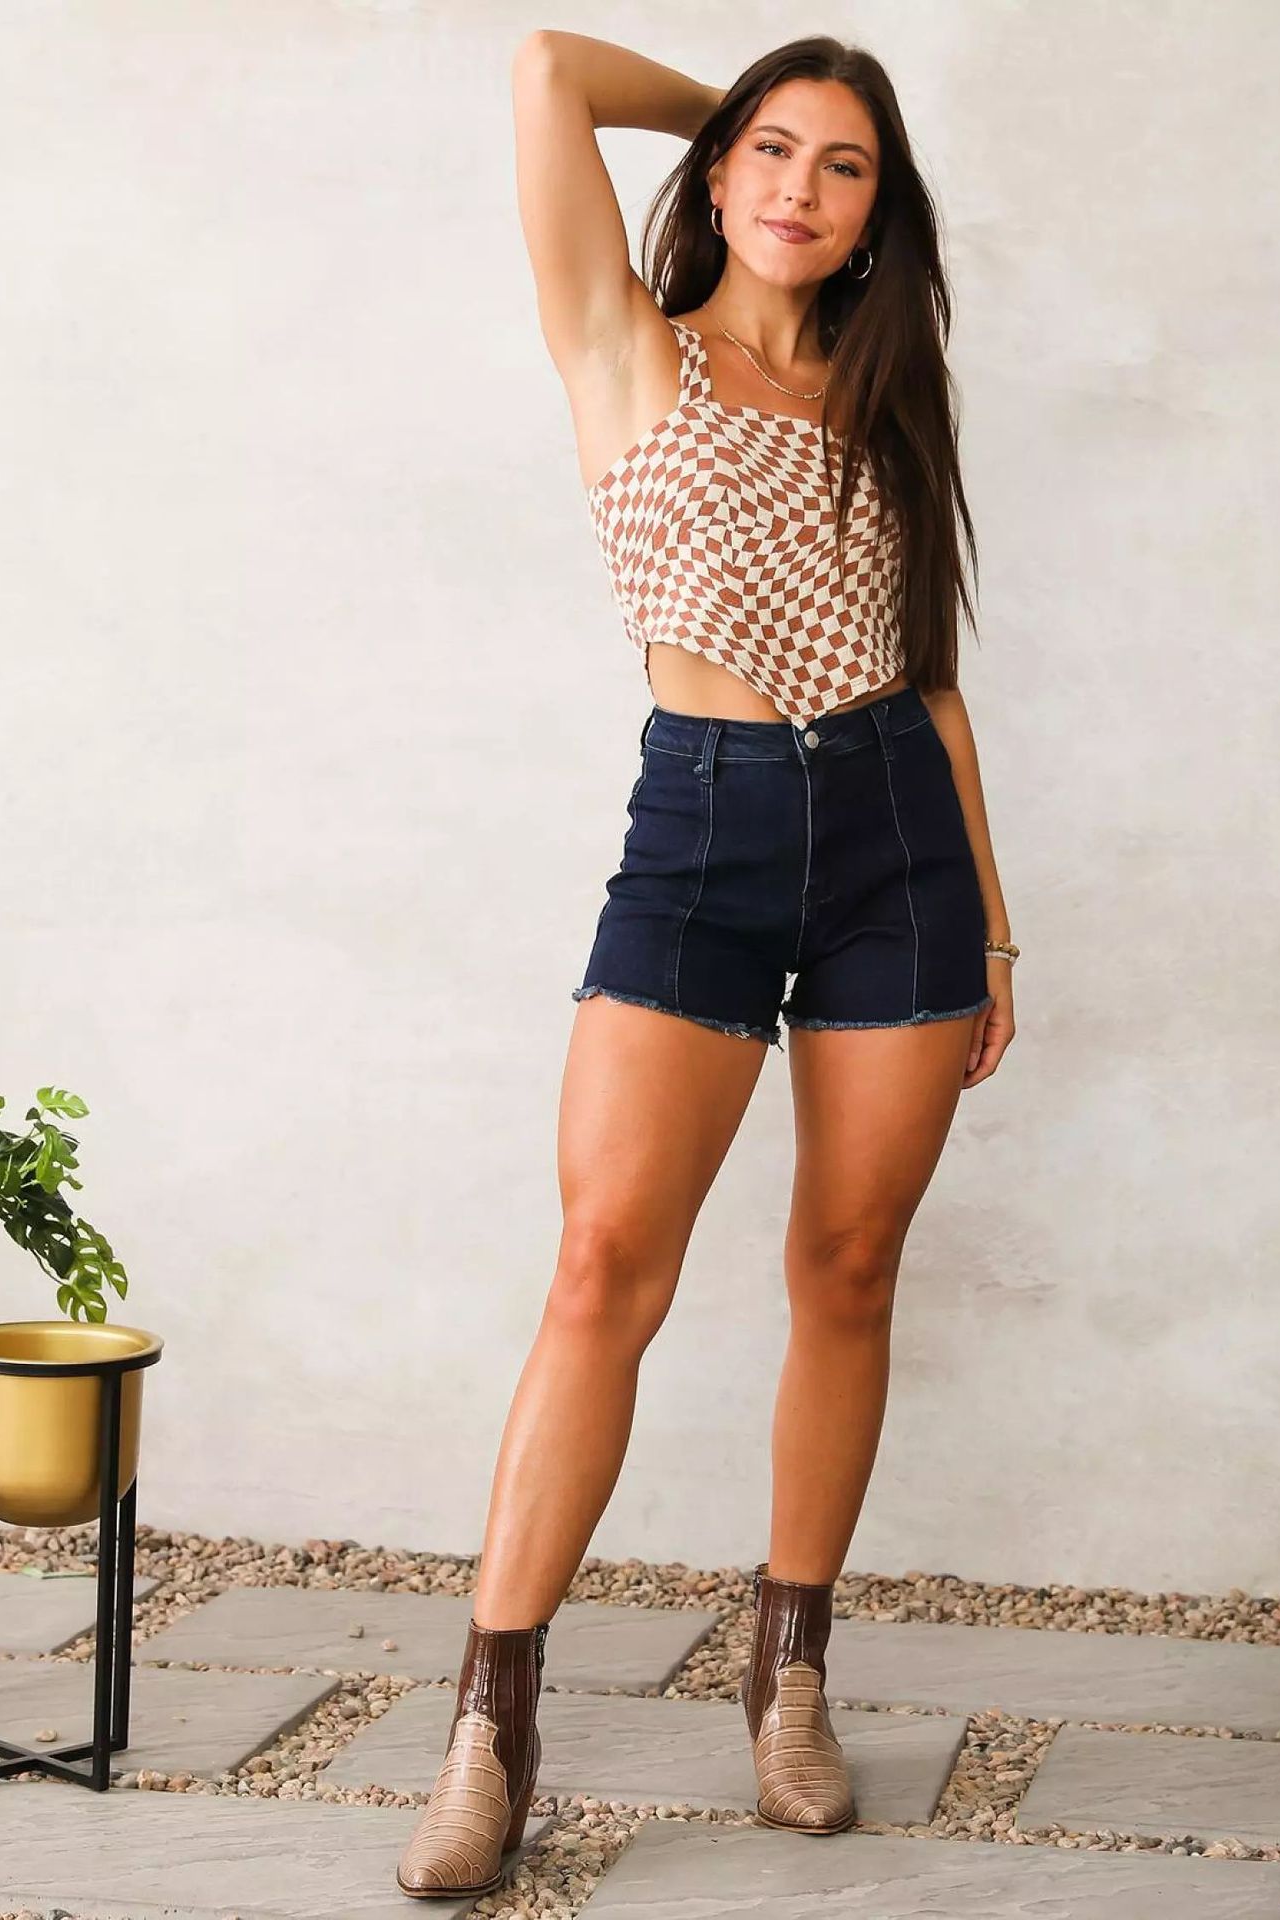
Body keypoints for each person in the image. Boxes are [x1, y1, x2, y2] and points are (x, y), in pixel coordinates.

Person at [397, 29, 1019, 1900]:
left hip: (897, 841)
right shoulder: (628, 345)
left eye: (842, 166)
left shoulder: (888, 400)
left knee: (849, 1263)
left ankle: (789, 1674)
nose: (797, 188)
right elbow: (544, 68)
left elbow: (929, 684)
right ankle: (490, 1726)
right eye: (772, 151)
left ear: (878, 213)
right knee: (604, 1265)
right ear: (724, 169)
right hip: (705, 826)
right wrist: (721, 110)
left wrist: (990, 921)